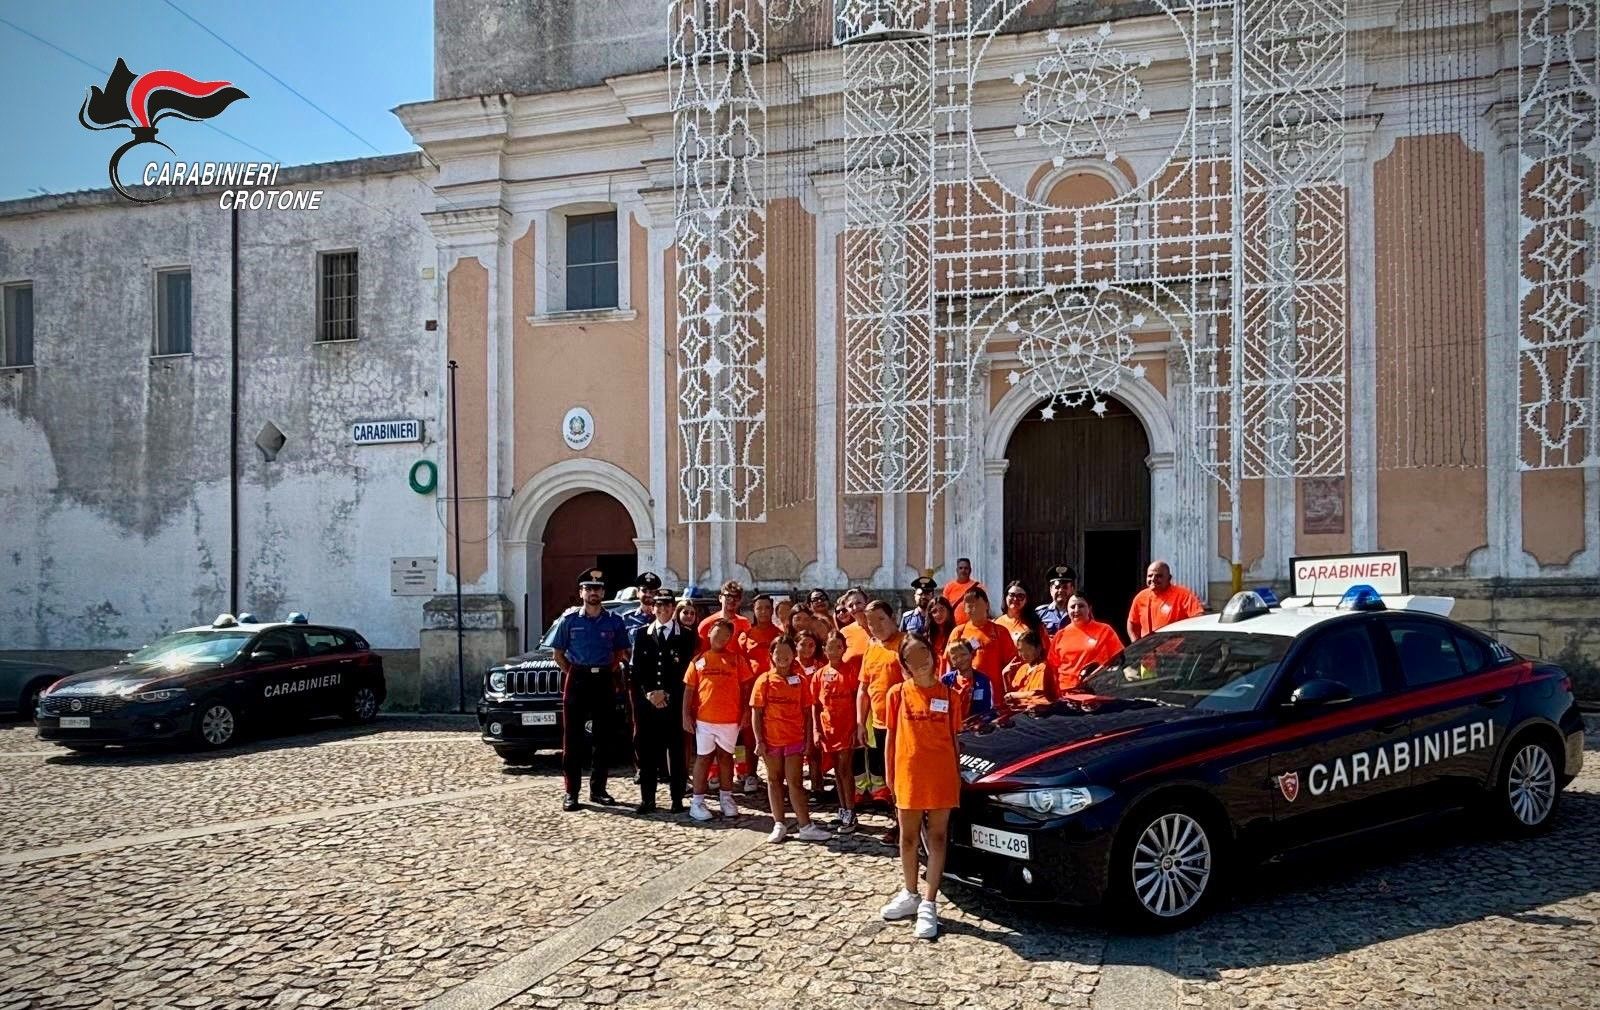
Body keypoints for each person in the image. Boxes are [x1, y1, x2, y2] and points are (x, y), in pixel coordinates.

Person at [880, 633, 966, 941]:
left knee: (938, 837)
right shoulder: (897, 694)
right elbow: (890, 737)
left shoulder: (950, 695)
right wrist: (890, 774)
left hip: (940, 774)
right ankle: (910, 892)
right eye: (912, 658)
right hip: (908, 774)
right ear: (904, 664)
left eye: (924, 655)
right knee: (907, 839)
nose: (920, 663)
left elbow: (955, 738)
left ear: (933, 654)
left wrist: (956, 773)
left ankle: (929, 901)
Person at [550, 569, 631, 812]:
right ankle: (571, 793)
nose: (593, 592)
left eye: (597, 588)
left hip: (604, 679)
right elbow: (558, 654)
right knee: (572, 739)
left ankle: (598, 790)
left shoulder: (614, 621)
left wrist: (607, 669)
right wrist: (576, 673)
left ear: (603, 592)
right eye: (588, 588)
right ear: (581, 592)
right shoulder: (569, 620)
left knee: (602, 739)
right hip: (578, 679)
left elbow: (621, 652)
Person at [751, 637, 831, 843]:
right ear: (772, 656)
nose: (783, 657)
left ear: (793, 654)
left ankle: (805, 825)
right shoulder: (764, 681)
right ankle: (779, 823)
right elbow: (757, 713)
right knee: (774, 780)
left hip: (794, 740)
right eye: (778, 653)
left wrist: (807, 740)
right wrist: (759, 740)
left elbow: (807, 712)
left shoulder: (801, 681)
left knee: (795, 783)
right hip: (771, 741)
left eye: (787, 653)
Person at [629, 589, 696, 813]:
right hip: (648, 704)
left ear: (672, 608)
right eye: (658, 605)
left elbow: (687, 672)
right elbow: (636, 670)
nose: (663, 609)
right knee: (648, 752)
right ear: (653, 607)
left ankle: (677, 798)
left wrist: (667, 694)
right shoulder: (641, 634)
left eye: (667, 605)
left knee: (676, 752)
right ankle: (648, 799)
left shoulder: (685, 636)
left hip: (673, 703)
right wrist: (649, 693)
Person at [683, 619, 754, 822]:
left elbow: (746, 687)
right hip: (705, 719)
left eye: (726, 635)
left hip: (730, 720)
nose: (721, 638)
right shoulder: (699, 660)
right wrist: (685, 714)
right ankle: (697, 801)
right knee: (703, 758)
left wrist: (746, 712)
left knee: (726, 758)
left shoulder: (737, 660)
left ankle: (726, 797)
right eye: (717, 633)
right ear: (708, 634)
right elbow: (689, 689)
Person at [855, 600, 904, 834]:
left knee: (903, 775)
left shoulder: (906, 644)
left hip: (904, 725)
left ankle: (905, 824)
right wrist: (860, 722)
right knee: (888, 775)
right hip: (880, 723)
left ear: (893, 617)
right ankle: (898, 820)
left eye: (881, 620)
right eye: (871, 622)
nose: (876, 626)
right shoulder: (872, 647)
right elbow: (864, 689)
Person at [811, 630, 859, 833]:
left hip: (846, 728)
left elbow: (858, 698)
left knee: (845, 770)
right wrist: (815, 729)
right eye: (830, 647)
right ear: (824, 649)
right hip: (827, 728)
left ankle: (851, 811)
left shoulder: (850, 671)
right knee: (837, 771)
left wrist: (858, 726)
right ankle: (842, 809)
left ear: (844, 649)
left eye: (838, 647)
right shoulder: (819, 674)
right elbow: (814, 704)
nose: (834, 651)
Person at [949, 586, 1017, 705]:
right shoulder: (958, 632)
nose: (973, 609)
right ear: (964, 609)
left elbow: (1012, 663)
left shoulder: (999, 631)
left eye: (977, 604)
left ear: (986, 605)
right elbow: (949, 664)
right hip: (964, 695)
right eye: (969, 606)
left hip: (993, 694)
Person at [1050, 593, 1124, 693]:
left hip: (1096, 690)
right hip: (1066, 693)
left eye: (1081, 606)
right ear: (1067, 610)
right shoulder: (1060, 635)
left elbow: (1119, 660)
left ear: (1089, 608)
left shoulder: (1105, 630)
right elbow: (1052, 667)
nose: (1076, 610)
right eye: (1072, 607)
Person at [1127, 561, 1206, 641]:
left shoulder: (1183, 595)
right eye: (1150, 576)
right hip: (1148, 650)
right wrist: (1136, 645)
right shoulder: (1140, 597)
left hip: (1176, 651)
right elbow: (1132, 624)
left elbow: (1198, 617)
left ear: (1169, 578)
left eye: (1159, 576)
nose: (1153, 579)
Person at [941, 637, 1003, 719]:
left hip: (974, 727)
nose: (960, 659)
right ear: (951, 662)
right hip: (951, 727)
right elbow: (939, 709)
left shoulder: (983, 680)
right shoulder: (946, 680)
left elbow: (987, 711)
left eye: (963, 654)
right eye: (955, 658)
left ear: (972, 654)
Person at [1003, 629, 1057, 708]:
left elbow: (1034, 693)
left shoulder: (1043, 667)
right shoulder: (1022, 668)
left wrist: (1012, 695)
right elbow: (1009, 694)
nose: (1023, 654)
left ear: (1038, 648)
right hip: (1019, 711)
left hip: (1037, 712)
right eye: (1020, 650)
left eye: (1028, 649)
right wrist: (1005, 674)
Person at [698, 580, 752, 655]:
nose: (732, 600)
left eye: (736, 597)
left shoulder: (745, 623)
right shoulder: (706, 624)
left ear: (740, 601)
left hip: (738, 665)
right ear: (720, 598)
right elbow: (701, 655)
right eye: (728, 596)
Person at [1034, 565, 1077, 636]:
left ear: (1072, 589)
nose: (1060, 590)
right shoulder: (1040, 613)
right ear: (1051, 590)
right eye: (1057, 587)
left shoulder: (1079, 612)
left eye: (1065, 587)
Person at [941, 557, 984, 625]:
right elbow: (943, 608)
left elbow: (982, 607)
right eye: (960, 568)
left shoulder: (978, 587)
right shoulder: (949, 587)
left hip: (972, 626)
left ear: (970, 570)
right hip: (953, 626)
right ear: (957, 570)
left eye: (966, 568)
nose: (963, 570)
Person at [925, 596, 957, 661]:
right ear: (930, 615)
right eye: (934, 611)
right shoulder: (927, 637)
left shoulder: (957, 633)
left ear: (948, 611)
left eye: (942, 609)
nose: (938, 614)